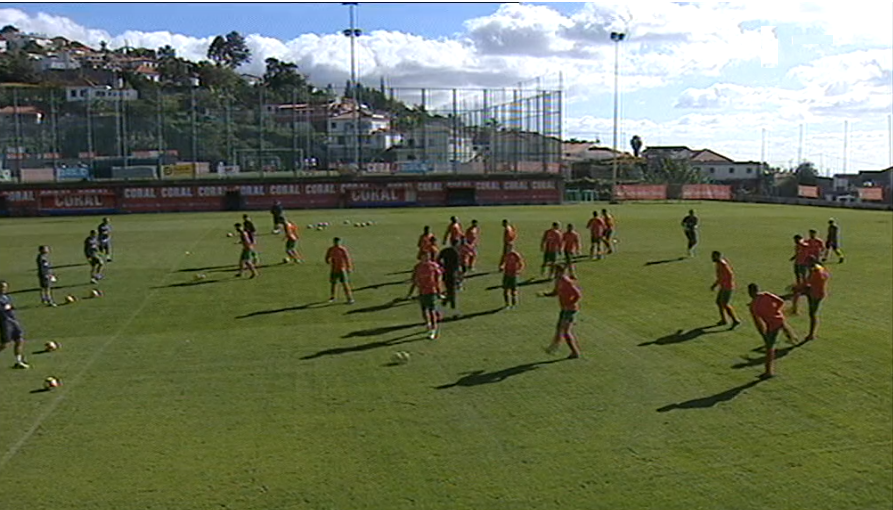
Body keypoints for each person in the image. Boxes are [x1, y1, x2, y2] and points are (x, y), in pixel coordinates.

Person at [748, 283, 798, 379]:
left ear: (750, 292)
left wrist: (763, 334)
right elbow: (780, 301)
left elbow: (758, 323)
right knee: (783, 325)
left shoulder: (753, 306)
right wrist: (776, 311)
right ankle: (793, 338)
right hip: (779, 318)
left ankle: (769, 372)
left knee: (769, 348)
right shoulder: (766, 295)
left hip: (772, 325)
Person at [539, 264, 582, 359]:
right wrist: (545, 294)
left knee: (566, 331)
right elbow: (555, 292)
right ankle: (554, 347)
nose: (555, 273)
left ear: (562, 272)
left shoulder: (567, 282)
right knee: (559, 328)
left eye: (557, 272)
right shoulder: (558, 281)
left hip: (570, 310)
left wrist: (570, 303)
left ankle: (575, 352)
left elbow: (578, 295)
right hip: (564, 309)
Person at [408, 250, 443, 340]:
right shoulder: (418, 267)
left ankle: (433, 329)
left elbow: (438, 279)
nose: (426, 258)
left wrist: (439, 291)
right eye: (424, 256)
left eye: (428, 256)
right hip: (422, 291)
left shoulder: (433, 266)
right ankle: (428, 324)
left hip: (431, 291)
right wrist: (412, 292)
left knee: (431, 310)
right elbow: (414, 279)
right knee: (424, 310)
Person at [797, 257, 830, 342]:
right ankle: (811, 334)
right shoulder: (822, 270)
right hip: (817, 293)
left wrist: (800, 288)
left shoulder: (815, 273)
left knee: (813, 314)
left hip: (815, 294)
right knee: (812, 313)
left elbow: (809, 284)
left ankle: (811, 334)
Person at [0, 280, 30, 369]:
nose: (4, 289)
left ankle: (19, 361)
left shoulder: (6, 297)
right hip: (4, 323)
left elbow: (11, 307)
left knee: (19, 340)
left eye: (5, 287)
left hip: (13, 321)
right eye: (2, 287)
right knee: (5, 344)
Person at [710, 251, 741, 328]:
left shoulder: (723, 265)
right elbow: (720, 277)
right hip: (723, 287)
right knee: (719, 302)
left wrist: (725, 283)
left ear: (718, 256)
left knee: (725, 304)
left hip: (727, 287)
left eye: (713, 256)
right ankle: (724, 320)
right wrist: (716, 284)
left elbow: (730, 274)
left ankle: (735, 320)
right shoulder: (718, 264)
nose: (712, 258)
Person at [325, 237, 354, 304]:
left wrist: (349, 267)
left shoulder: (343, 250)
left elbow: (347, 259)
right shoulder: (331, 249)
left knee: (345, 283)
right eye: (335, 242)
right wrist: (327, 260)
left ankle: (350, 298)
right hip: (334, 268)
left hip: (342, 268)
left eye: (338, 242)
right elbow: (327, 256)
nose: (337, 243)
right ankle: (333, 297)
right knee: (333, 283)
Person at [437, 239, 462, 317]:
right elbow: (457, 266)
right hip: (452, 275)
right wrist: (459, 278)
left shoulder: (445, 250)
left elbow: (438, 259)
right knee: (452, 293)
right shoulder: (456, 253)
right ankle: (454, 312)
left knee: (449, 292)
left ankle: (441, 308)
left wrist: (442, 266)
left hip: (445, 273)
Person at [499, 243, 525, 309]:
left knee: (513, 290)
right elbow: (503, 262)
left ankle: (514, 304)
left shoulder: (516, 255)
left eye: (510, 247)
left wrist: (519, 270)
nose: (509, 249)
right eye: (508, 248)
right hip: (506, 274)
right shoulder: (506, 255)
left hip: (513, 275)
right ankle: (507, 304)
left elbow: (521, 264)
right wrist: (502, 266)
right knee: (505, 290)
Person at [789, 234, 811, 314]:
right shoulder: (797, 246)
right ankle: (799, 286)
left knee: (803, 275)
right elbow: (798, 253)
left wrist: (801, 242)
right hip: (797, 262)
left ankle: (805, 287)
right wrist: (794, 257)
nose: (795, 241)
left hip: (803, 263)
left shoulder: (804, 244)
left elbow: (806, 245)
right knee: (797, 275)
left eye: (796, 240)